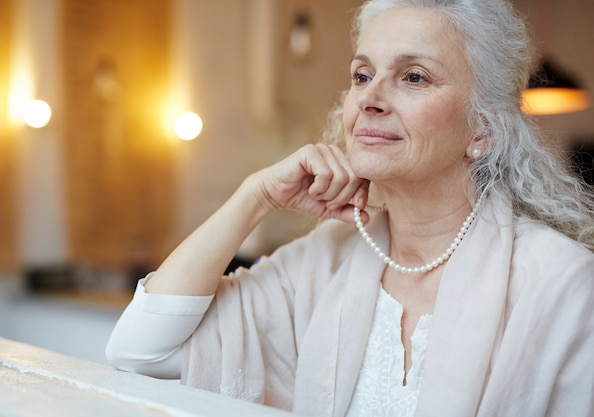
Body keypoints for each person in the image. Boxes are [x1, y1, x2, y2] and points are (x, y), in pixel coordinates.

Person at [106, 0, 594, 416]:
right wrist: (256, 197)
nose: (369, 99)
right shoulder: (321, 262)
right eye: (362, 75)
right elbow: (140, 351)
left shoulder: (562, 282)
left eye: (414, 77)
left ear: (482, 130)